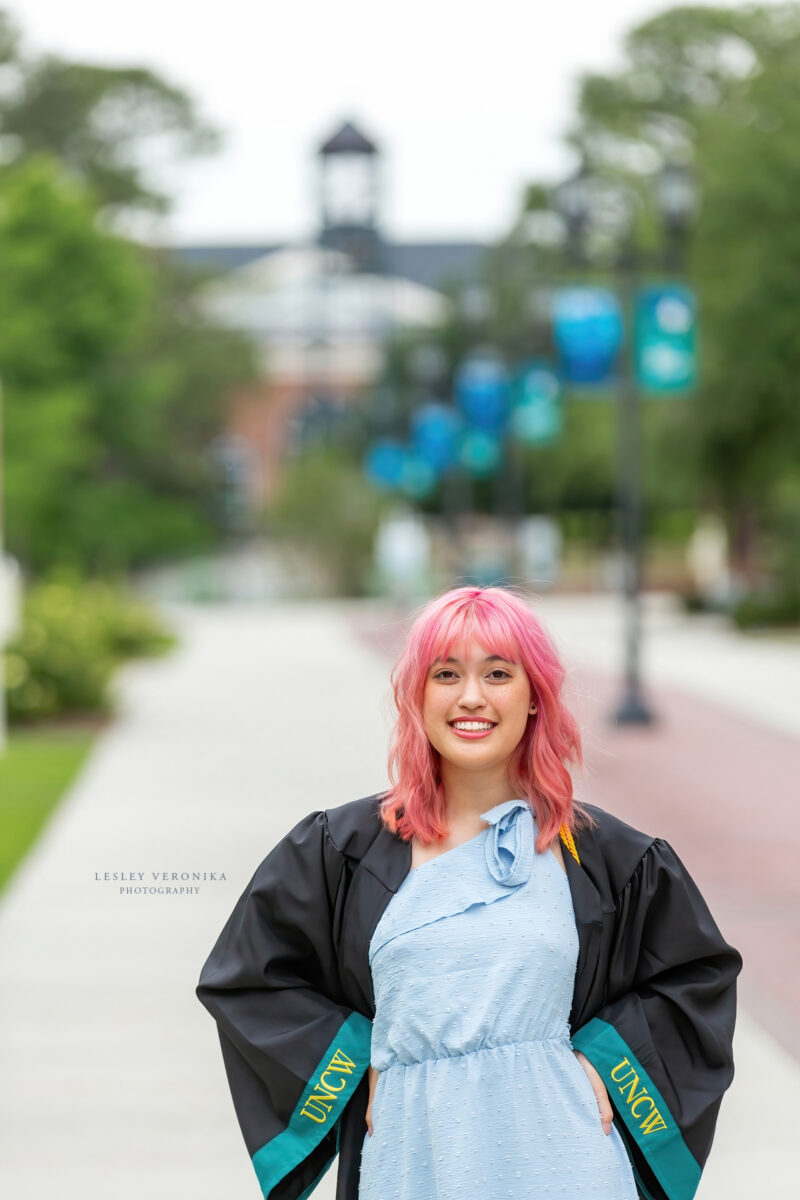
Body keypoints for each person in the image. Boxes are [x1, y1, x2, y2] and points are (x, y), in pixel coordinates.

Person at [196, 585, 742, 1200]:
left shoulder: (608, 860)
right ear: (417, 695)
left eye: (499, 673)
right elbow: (248, 979)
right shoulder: (341, 851)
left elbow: (697, 982)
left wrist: (607, 1059)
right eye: (446, 674)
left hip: (566, 1162)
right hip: (412, 1157)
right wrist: (354, 1063)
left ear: (535, 697)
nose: (471, 697)